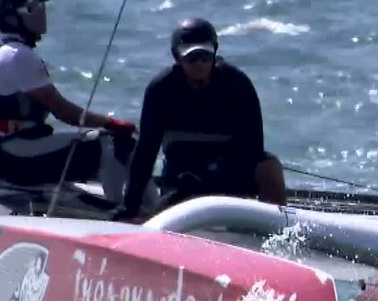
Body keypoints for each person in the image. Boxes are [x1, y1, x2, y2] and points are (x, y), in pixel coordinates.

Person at [0, 0, 137, 193]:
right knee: (113, 143)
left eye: (42, 5)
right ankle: (122, 209)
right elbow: (64, 112)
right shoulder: (19, 56)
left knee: (96, 143)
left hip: (6, 151)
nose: (42, 11)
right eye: (33, 7)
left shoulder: (0, 52)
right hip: (16, 155)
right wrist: (112, 123)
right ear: (12, 19)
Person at [110, 17, 287, 221]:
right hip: (184, 175)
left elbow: (253, 147)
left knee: (269, 166)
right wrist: (130, 206)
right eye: (192, 58)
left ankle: (276, 228)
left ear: (214, 53)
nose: (200, 64)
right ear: (177, 57)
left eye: (205, 57)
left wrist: (218, 172)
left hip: (228, 170)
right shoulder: (161, 90)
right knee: (171, 199)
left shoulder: (237, 85)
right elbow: (146, 152)